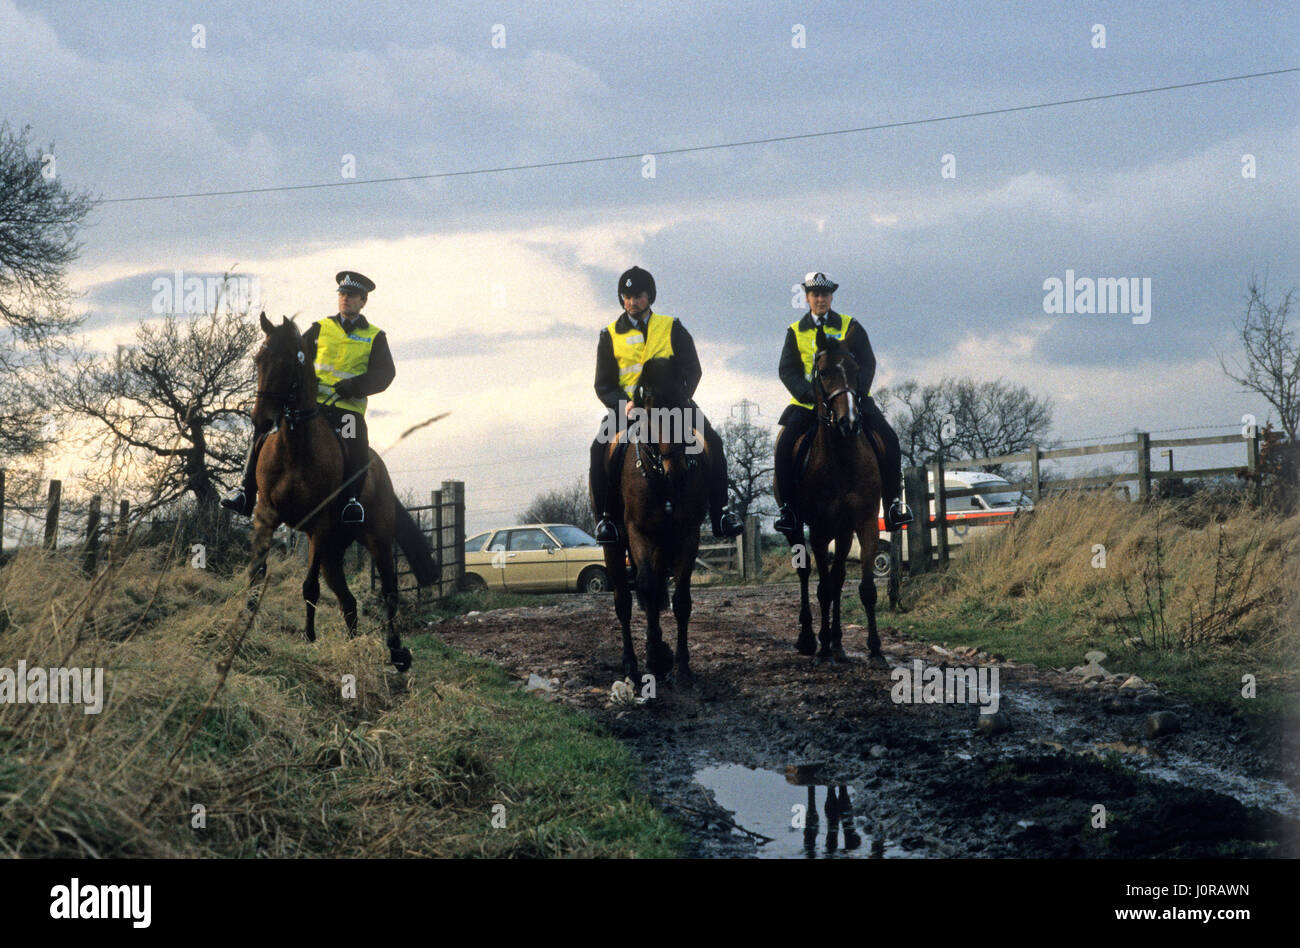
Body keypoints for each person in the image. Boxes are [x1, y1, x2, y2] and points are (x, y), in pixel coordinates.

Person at [222, 270, 395, 524]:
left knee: (357, 441)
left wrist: (356, 386)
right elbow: (297, 361)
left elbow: (386, 373)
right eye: (342, 294)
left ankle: (351, 501)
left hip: (347, 409)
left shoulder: (375, 336)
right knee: (265, 430)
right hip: (312, 407)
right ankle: (245, 492)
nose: (345, 299)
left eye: (351, 295)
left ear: (363, 301)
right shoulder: (320, 328)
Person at [589, 266, 745, 544]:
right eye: (627, 297)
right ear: (622, 299)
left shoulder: (672, 326)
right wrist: (623, 404)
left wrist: (679, 399)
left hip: (675, 407)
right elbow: (603, 384)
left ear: (649, 297)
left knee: (713, 441)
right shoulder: (609, 335)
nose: (632, 301)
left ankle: (721, 513)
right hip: (630, 411)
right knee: (598, 448)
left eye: (638, 296)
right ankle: (606, 519)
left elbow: (693, 369)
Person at [772, 271, 912, 538]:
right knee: (785, 445)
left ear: (831, 297)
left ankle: (893, 504)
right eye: (815, 295)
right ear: (807, 297)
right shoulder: (795, 330)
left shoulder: (850, 326)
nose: (820, 299)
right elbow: (787, 370)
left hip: (850, 399)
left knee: (889, 439)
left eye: (825, 294)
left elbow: (867, 362)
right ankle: (788, 510)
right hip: (808, 404)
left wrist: (855, 393)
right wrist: (808, 394)